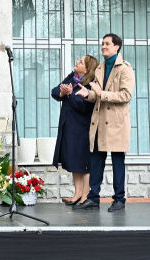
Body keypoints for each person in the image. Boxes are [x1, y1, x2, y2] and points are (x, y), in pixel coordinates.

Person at [73, 33, 135, 212]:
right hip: (99, 121)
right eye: (102, 44)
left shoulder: (125, 69)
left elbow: (126, 95)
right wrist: (89, 95)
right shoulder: (100, 68)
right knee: (96, 161)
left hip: (116, 123)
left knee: (117, 161)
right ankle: (93, 198)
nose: (103, 47)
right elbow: (97, 95)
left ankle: (119, 199)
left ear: (117, 47)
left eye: (107, 44)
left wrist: (100, 93)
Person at [51, 55, 99, 206]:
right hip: (69, 126)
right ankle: (77, 194)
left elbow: (83, 106)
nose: (76, 62)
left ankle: (85, 195)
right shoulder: (72, 77)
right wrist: (62, 93)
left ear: (87, 68)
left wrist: (70, 94)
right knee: (73, 162)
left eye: (80, 62)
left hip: (83, 128)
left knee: (84, 164)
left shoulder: (91, 84)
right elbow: (54, 91)